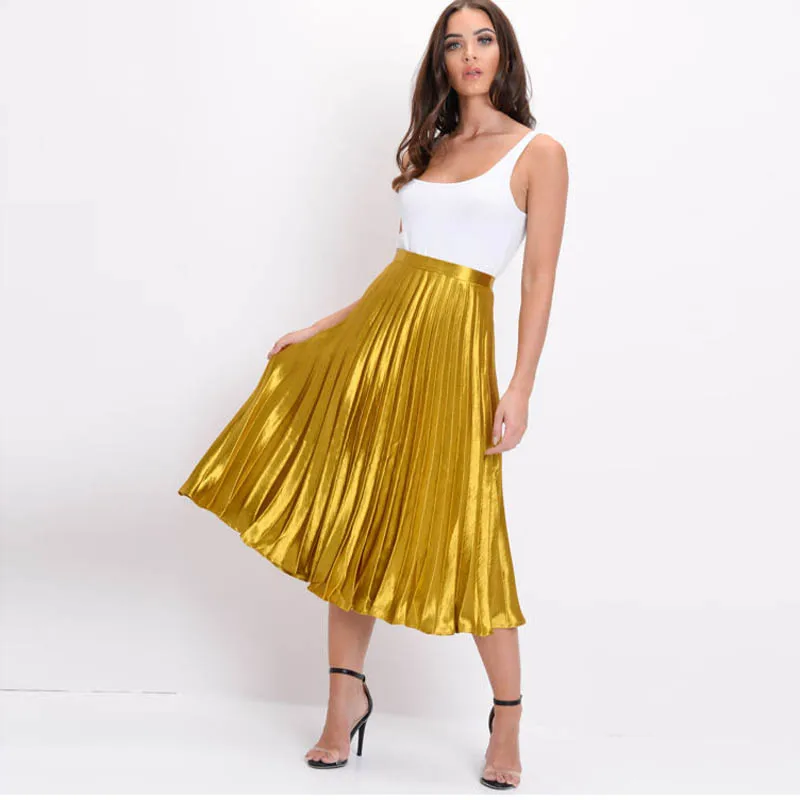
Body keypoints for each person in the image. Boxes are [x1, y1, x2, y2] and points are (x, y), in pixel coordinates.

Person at [178, 0, 568, 790]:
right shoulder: (434, 147)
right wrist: (326, 327)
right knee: (355, 517)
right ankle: (343, 702)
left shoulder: (539, 153)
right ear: (440, 61)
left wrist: (520, 386)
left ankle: (508, 718)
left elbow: (538, 279)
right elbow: (405, 265)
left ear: (504, 53)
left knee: (468, 527)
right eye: (454, 43)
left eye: (483, 40)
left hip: (455, 357)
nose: (470, 54)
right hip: (379, 346)